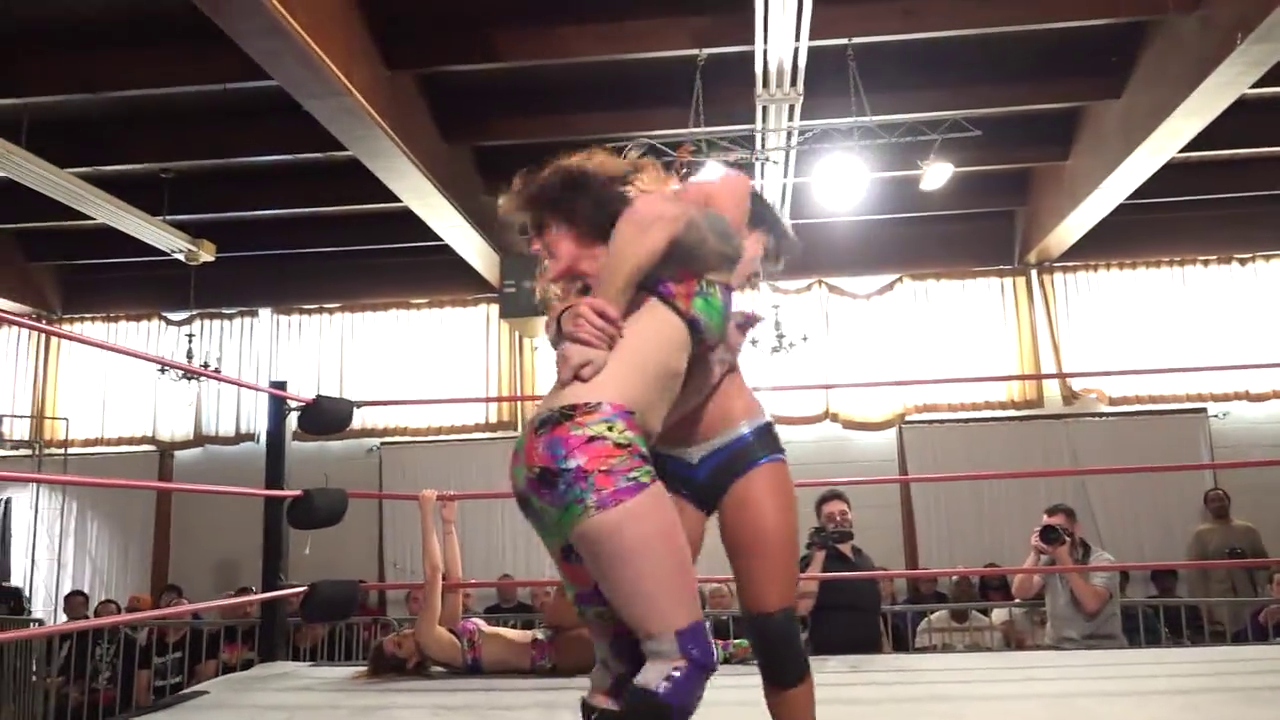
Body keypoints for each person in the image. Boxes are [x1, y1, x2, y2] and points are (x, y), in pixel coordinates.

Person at [548, 164, 814, 720]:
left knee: (774, 626)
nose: (751, 272)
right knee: (638, 642)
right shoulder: (635, 269)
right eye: (754, 254)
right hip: (661, 462)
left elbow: (729, 186)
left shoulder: (717, 286)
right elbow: (571, 316)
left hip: (739, 444)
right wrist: (568, 318)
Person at [503, 149, 749, 720]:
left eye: (543, 229)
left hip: (549, 456)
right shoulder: (599, 294)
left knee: (623, 663)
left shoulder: (673, 246)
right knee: (681, 659)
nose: (534, 247)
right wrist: (571, 318)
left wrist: (595, 310)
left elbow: (683, 202)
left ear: (578, 214)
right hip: (594, 446)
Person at [367, 490, 595, 677]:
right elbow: (434, 574)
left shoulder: (443, 634)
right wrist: (426, 514)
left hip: (547, 636)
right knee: (582, 585)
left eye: (397, 634)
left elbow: (454, 582)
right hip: (550, 653)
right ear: (410, 663)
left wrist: (448, 525)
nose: (404, 635)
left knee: (581, 581)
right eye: (399, 645)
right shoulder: (427, 637)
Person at [1011, 503, 1125, 649]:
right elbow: (1021, 593)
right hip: (1057, 646)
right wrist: (1034, 555)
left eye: (1059, 529)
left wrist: (1065, 562)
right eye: (1048, 529)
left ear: (1076, 529)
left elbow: (1092, 605)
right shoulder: (1049, 560)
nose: (1053, 534)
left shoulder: (1101, 560)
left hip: (1099, 645)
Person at [796, 489, 887, 655]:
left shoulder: (864, 558)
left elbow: (874, 609)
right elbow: (802, 607)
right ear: (820, 522)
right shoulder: (812, 560)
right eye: (830, 517)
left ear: (851, 516)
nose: (838, 520)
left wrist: (887, 650)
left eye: (843, 514)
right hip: (829, 657)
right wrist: (819, 553)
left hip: (871, 654)